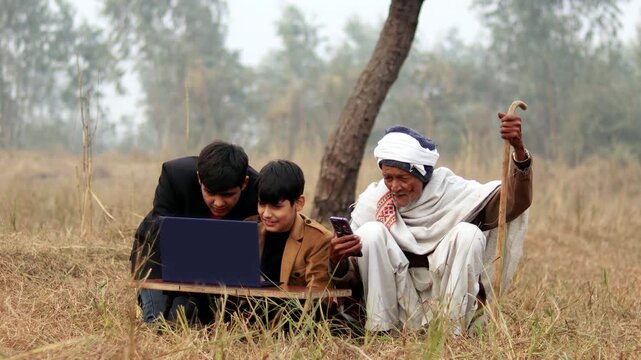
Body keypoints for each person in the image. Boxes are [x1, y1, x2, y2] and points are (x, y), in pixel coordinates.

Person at [329, 112, 532, 334]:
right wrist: (337, 259)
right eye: (388, 178)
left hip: (443, 302)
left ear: (423, 175)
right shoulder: (374, 200)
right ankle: (381, 330)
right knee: (370, 232)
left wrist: (519, 152)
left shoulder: (453, 192)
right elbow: (352, 271)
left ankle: (453, 332)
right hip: (400, 306)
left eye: (403, 178)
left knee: (468, 233)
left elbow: (511, 204)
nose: (395, 186)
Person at [130, 140, 258, 323]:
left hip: (218, 268)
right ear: (199, 179)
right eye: (210, 192)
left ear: (244, 184)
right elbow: (159, 226)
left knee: (181, 318)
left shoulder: (258, 189)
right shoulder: (175, 176)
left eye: (228, 195)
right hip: (158, 254)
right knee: (155, 321)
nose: (218, 202)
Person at [254, 160, 332, 290]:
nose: (266, 214)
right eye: (262, 204)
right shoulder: (250, 229)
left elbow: (318, 296)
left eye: (276, 206)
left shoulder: (318, 240)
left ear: (299, 203)